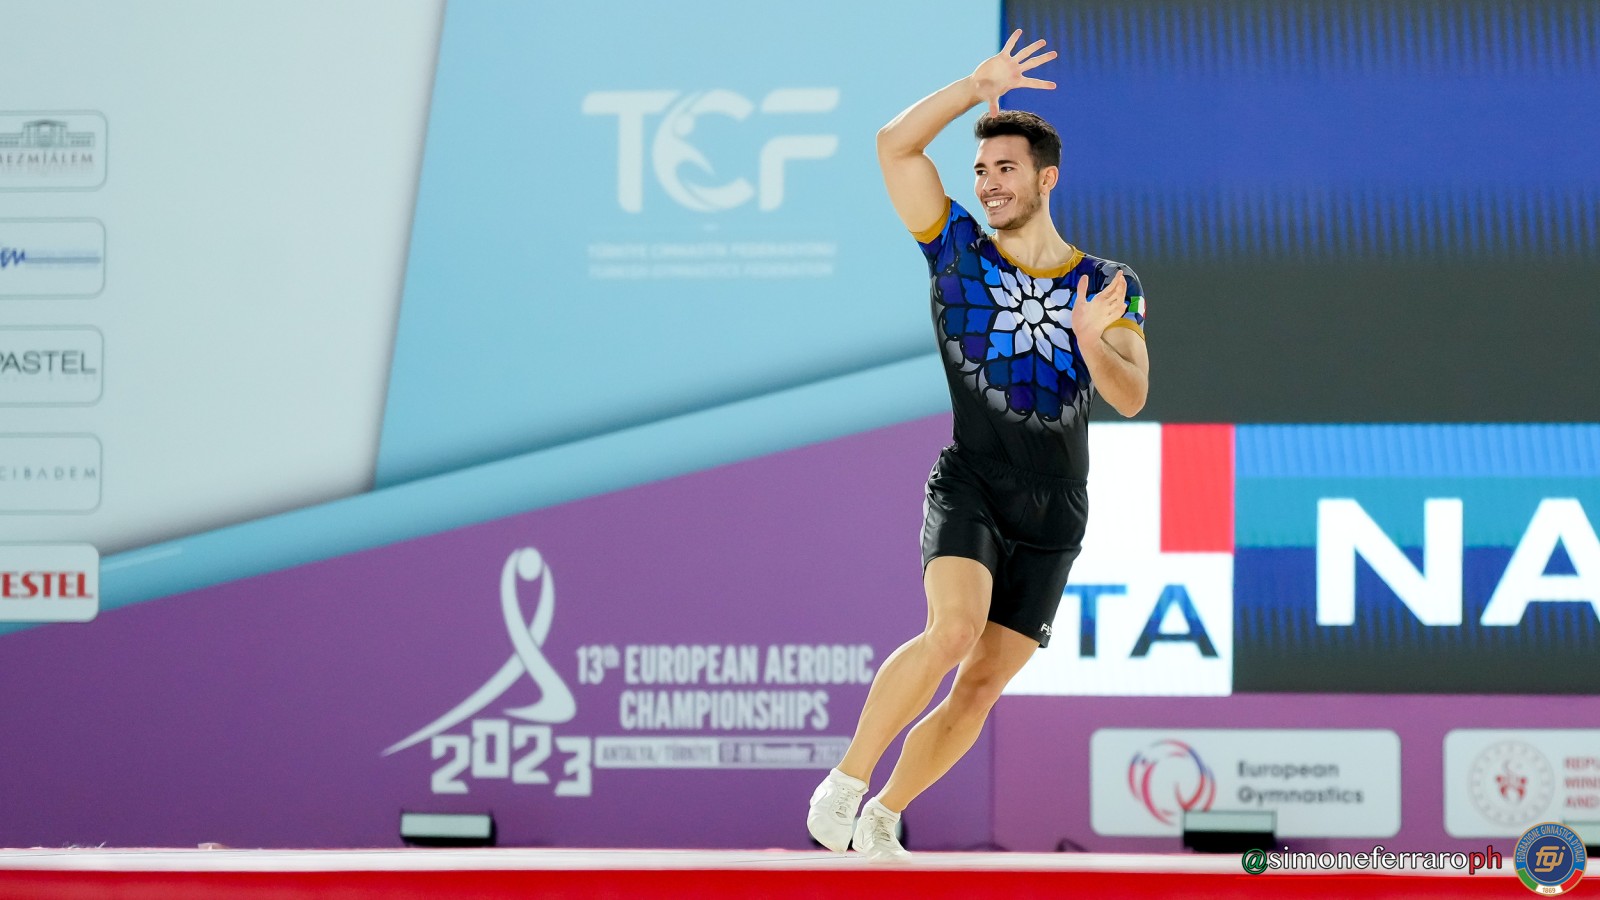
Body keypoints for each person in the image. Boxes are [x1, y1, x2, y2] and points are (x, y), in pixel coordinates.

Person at [805, 30, 1150, 859]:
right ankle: (844, 784)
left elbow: (1132, 396)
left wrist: (1089, 339)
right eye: (981, 170)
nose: (989, 182)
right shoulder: (957, 252)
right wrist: (972, 85)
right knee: (953, 631)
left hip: (1057, 508)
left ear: (1046, 178)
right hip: (973, 482)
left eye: (1005, 168)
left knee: (981, 685)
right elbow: (894, 146)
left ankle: (883, 816)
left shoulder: (1109, 285)